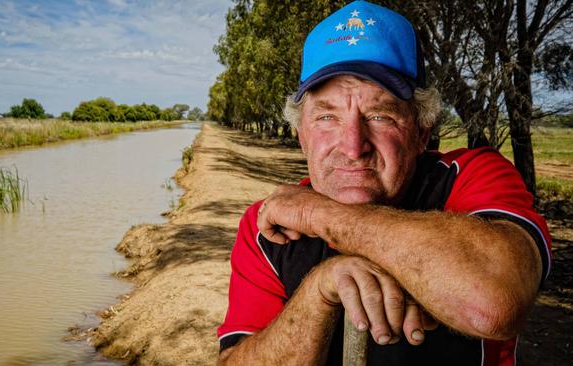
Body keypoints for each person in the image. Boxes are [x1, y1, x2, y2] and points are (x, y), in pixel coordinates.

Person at [216, 1, 551, 365]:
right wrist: (319, 290)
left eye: (380, 115)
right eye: (327, 116)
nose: (352, 146)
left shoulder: (470, 177)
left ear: (422, 132)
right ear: (301, 135)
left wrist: (323, 215)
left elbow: (495, 304)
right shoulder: (265, 229)